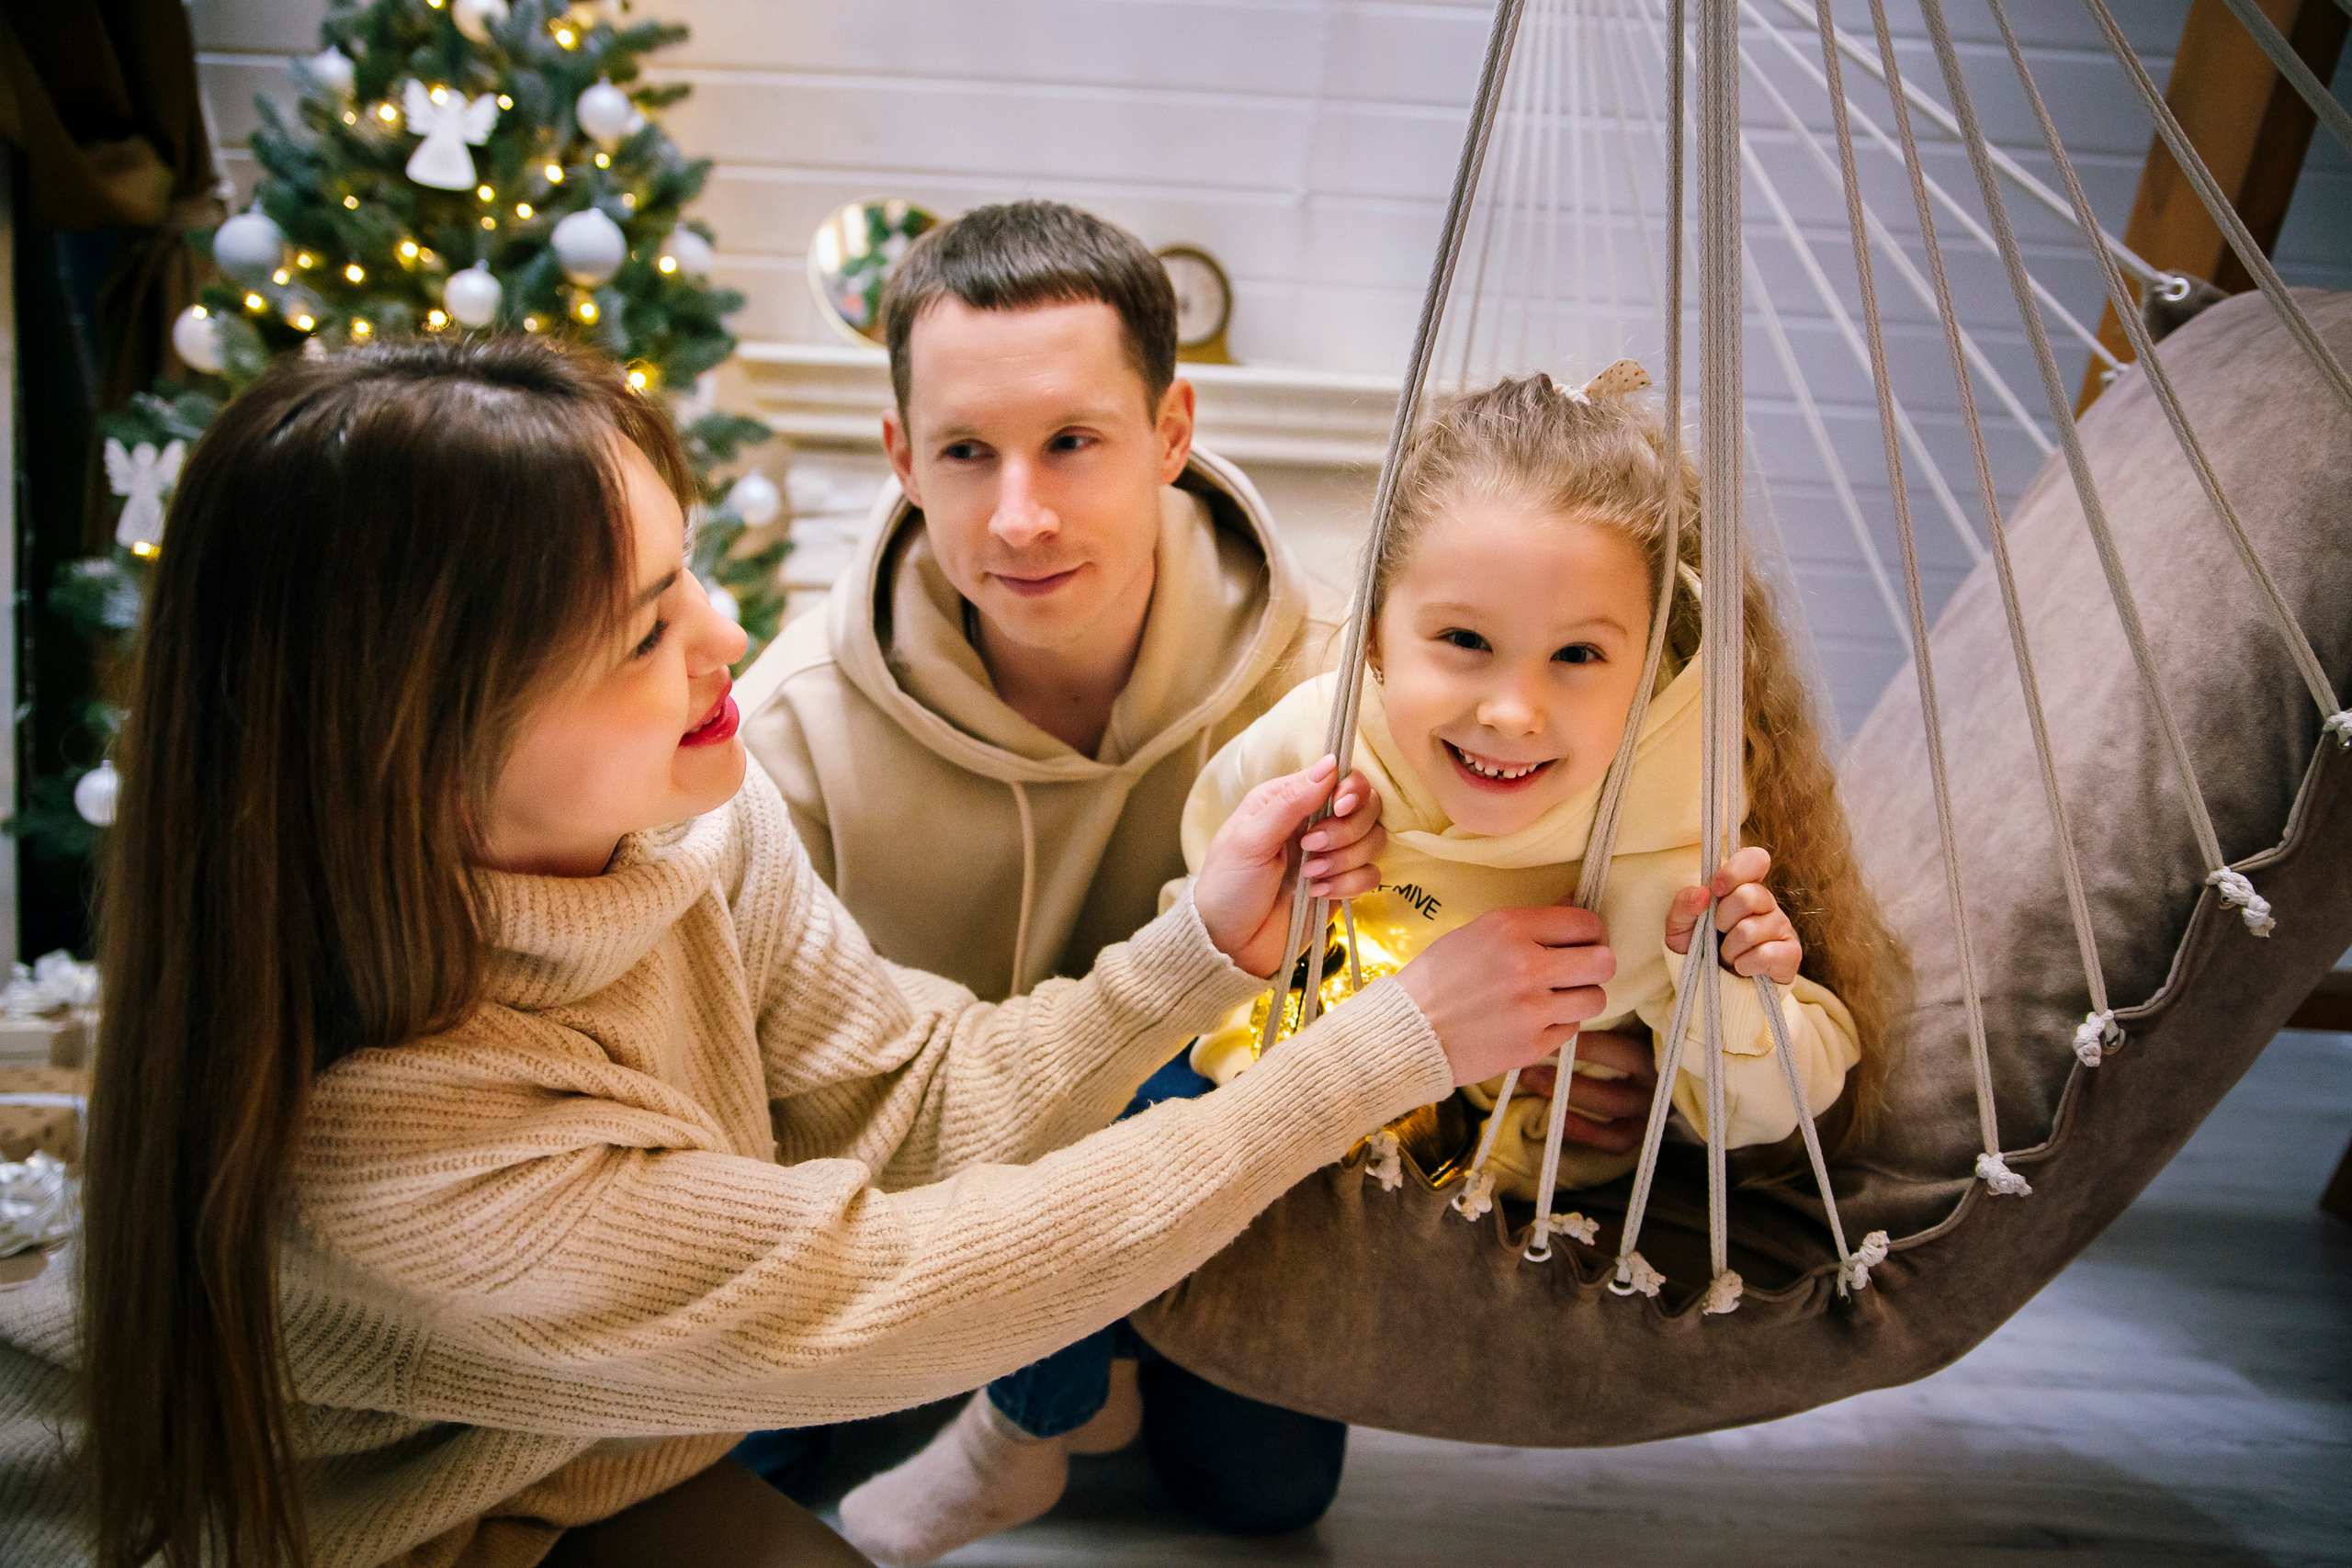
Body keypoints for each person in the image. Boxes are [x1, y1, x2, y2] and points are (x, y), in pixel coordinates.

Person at [0, 338, 1613, 1568]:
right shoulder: (389, 1156)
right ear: (413, 744)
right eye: (644, 629)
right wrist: (1380, 1051)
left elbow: (915, 1103)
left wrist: (1198, 948)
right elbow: (898, 1286)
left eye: (684, 566)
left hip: (553, 1468)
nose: (725, 634)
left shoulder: (687, 823)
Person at [732, 199, 1415, 1562]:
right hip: (921, 1223)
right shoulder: (788, 723)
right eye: (968, 453)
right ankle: (1023, 1391)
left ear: (1172, 434)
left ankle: (1073, 1386)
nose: (1022, 514)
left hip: (1211, 1214)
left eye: (1074, 443)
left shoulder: (1332, 693)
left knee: (1266, 1493)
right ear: (901, 459)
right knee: (730, 1458)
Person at [1182, 365, 1907, 1211]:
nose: (1513, 712)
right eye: (1463, 638)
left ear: (1646, 669)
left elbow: (1769, 1103)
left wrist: (1726, 998)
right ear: (1377, 635)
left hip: (1541, 1202)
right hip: (1291, 1119)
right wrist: (1375, 992)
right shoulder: (1317, 751)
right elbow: (1198, 921)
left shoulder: (1684, 836)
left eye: (1577, 656)